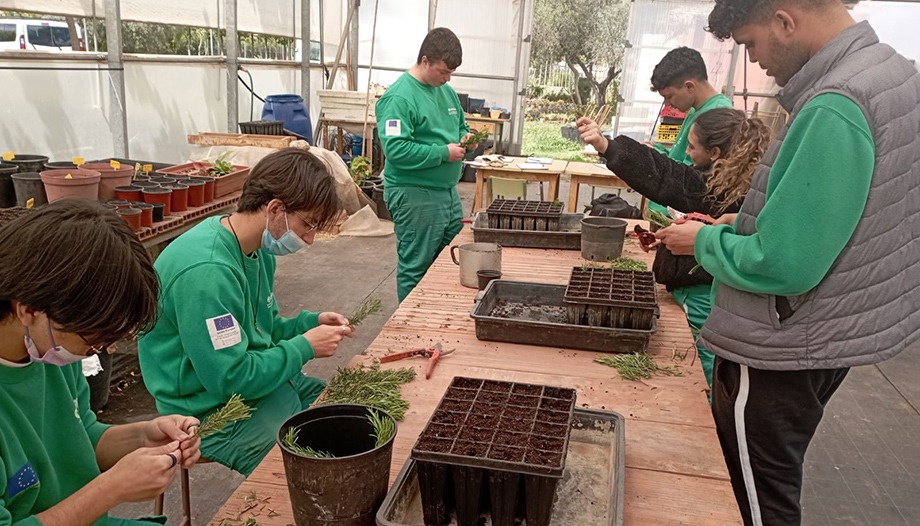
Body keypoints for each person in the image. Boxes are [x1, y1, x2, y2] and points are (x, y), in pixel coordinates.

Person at [656, 1, 920, 523]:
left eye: (750, 43)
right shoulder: (893, 74)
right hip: (834, 328)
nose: (754, 62)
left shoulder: (835, 104)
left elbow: (784, 264)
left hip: (784, 342)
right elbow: (846, 213)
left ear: (784, 19)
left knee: (755, 493)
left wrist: (704, 245)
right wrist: (735, 225)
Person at [138, 148, 352, 477]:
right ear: (276, 208)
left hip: (252, 387)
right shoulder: (208, 272)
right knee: (309, 473)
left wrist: (308, 324)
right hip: (208, 410)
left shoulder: (254, 248)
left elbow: (259, 330)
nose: (308, 240)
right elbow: (230, 378)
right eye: (307, 225)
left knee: (347, 419)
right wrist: (305, 346)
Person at [0, 200, 201, 525]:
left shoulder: (46, 346)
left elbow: (81, 437)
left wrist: (144, 436)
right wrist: (112, 488)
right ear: (29, 309)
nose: (96, 352)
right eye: (91, 340)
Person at [578, 108, 771, 390]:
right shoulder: (735, 181)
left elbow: (667, 176)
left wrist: (607, 146)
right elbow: (703, 217)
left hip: (703, 292)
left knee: (701, 361)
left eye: (692, 147)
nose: (687, 153)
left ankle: (708, 407)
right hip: (707, 289)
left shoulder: (721, 187)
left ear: (715, 152)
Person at [376, 27, 476, 303]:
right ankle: (408, 329)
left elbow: (459, 126)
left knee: (449, 257)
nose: (447, 79)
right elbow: (396, 150)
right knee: (416, 264)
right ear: (424, 61)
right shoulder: (399, 98)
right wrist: (444, 153)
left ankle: (434, 311)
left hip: (446, 193)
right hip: (414, 193)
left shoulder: (446, 93)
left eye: (451, 74)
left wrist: (466, 137)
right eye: (442, 72)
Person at [646, 47, 734, 218]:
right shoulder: (696, 109)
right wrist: (656, 151)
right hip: (665, 207)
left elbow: (694, 175)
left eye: (669, 96)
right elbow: (679, 157)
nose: (667, 104)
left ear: (689, 86)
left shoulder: (717, 114)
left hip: (679, 214)